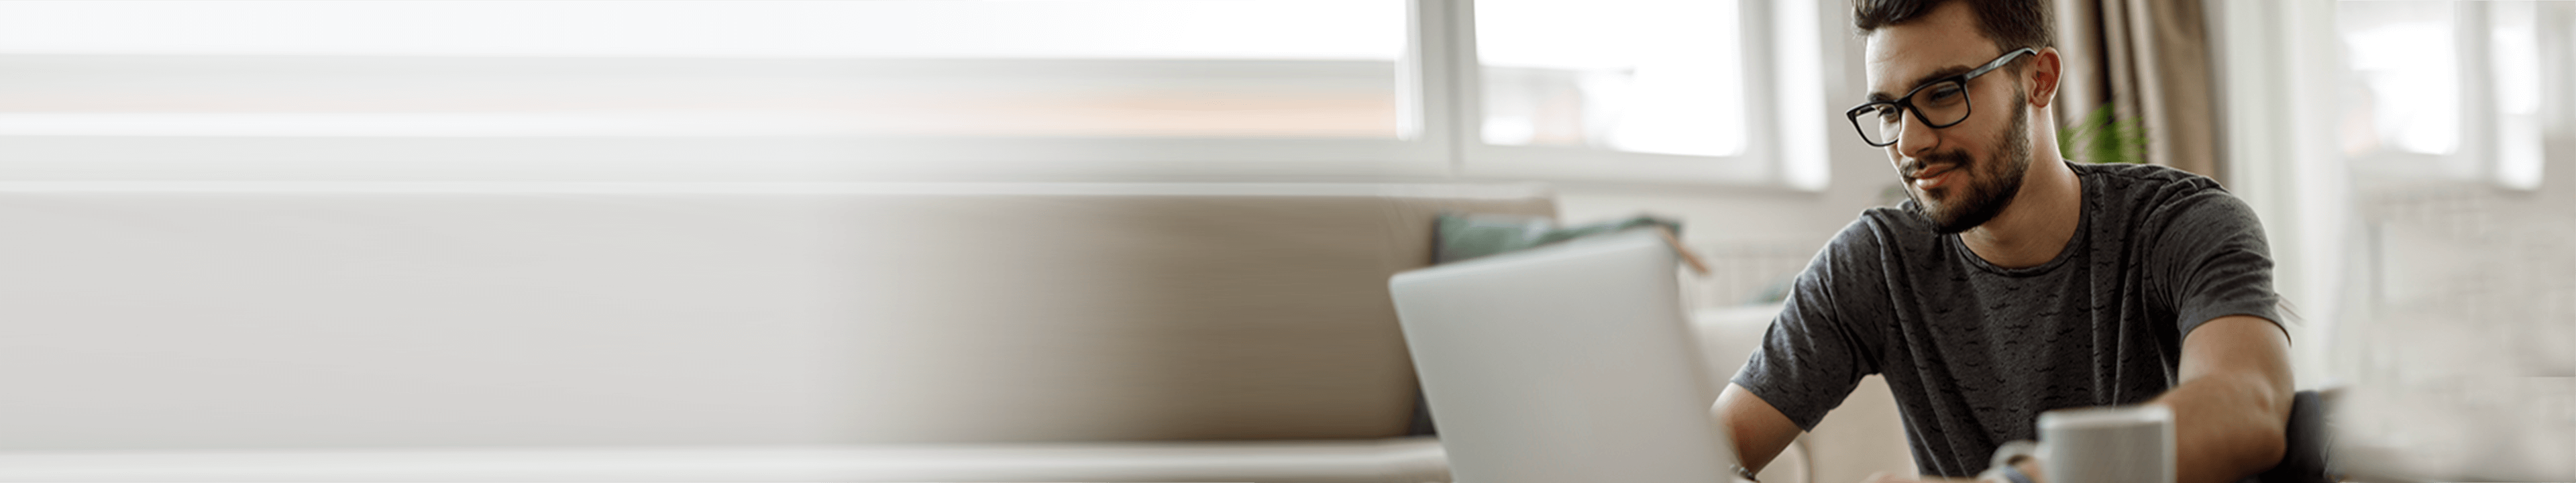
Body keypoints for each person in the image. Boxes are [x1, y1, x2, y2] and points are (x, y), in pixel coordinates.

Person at [1711, 1, 2296, 483]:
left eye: (1942, 93)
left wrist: (2018, 481)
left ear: (2038, 79)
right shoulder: (1875, 263)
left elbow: (2249, 404)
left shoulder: (2181, 223)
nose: (1909, 143)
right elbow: (1707, 452)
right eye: (1888, 111)